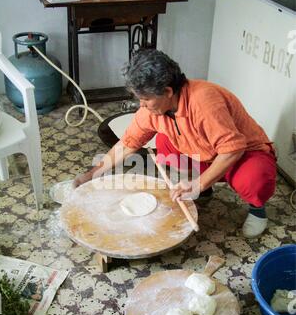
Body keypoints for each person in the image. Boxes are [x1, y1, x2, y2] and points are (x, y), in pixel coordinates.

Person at [75, 49, 277, 238]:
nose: (141, 105)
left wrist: (198, 183)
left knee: (254, 179)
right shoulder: (152, 111)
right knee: (164, 143)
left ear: (168, 91)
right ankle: (207, 187)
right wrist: (90, 175)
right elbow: (127, 144)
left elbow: (233, 149)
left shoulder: (204, 102)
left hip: (243, 154)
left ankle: (257, 209)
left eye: (145, 99)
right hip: (206, 152)